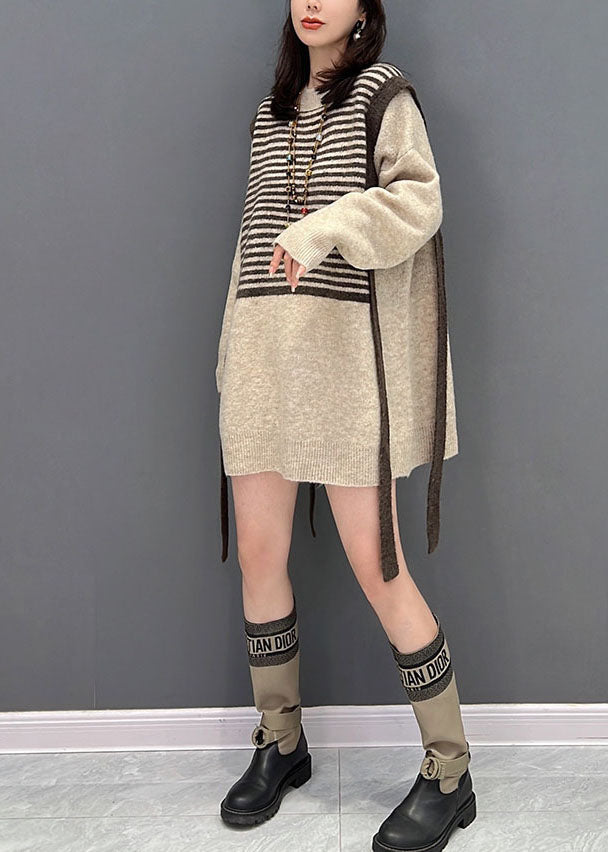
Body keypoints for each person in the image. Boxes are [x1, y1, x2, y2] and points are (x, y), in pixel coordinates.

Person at [216, 2, 476, 849]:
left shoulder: (382, 96)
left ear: (365, 9)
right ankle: (280, 739)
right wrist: (231, 355)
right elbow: (252, 245)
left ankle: (450, 770)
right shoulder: (269, 113)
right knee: (260, 554)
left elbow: (418, 202)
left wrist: (326, 225)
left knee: (378, 566)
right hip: (263, 364)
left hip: (345, 371)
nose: (311, 1)